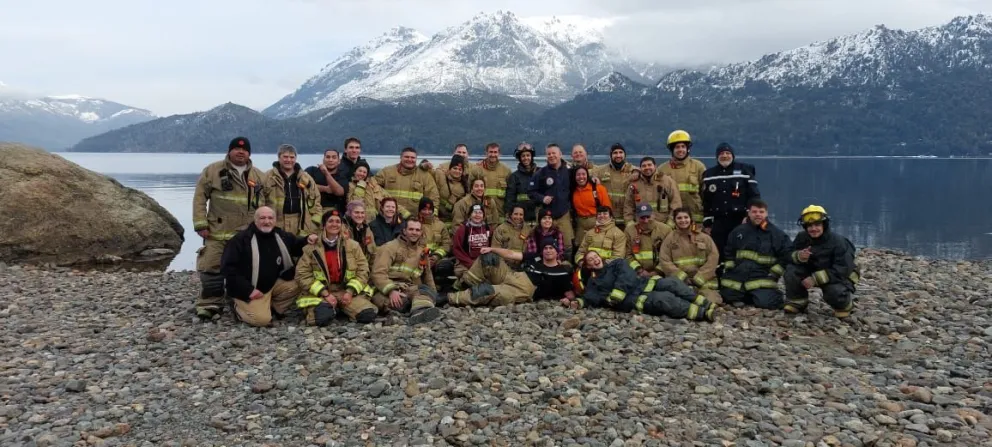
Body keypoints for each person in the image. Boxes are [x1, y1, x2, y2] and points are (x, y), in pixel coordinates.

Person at [191, 136, 266, 320]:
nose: (241, 152)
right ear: (229, 151)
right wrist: (200, 223)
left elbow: (267, 204)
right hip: (217, 231)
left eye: (245, 150)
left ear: (249, 153)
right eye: (237, 149)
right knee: (212, 267)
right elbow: (200, 198)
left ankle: (237, 299)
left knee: (245, 270)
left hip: (246, 235)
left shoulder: (259, 176)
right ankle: (210, 303)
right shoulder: (212, 171)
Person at [220, 206, 316, 327]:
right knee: (261, 320)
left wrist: (308, 239)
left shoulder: (280, 235)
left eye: (270, 218)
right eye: (262, 218)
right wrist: (248, 290)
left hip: (272, 285)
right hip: (249, 289)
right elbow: (228, 270)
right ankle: (237, 307)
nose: (267, 221)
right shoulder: (240, 240)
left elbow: (297, 246)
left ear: (275, 220)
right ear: (255, 220)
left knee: (301, 282)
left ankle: (271, 307)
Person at [562, 251, 716, 322]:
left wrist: (618, 292)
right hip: (636, 298)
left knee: (673, 283)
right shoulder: (594, 282)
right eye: (590, 260)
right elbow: (592, 297)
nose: (595, 260)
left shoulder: (617, 263)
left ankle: (705, 303)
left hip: (644, 283)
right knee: (665, 299)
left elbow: (626, 274)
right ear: (588, 266)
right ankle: (702, 314)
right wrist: (578, 302)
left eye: (596, 256)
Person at [294, 210, 377, 326]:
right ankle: (333, 309)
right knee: (322, 318)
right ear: (324, 225)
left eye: (338, 221)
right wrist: (325, 294)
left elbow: (363, 270)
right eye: (330, 221)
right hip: (322, 293)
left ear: (341, 225)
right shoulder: (311, 248)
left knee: (368, 315)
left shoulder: (353, 246)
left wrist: (349, 292)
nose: (334, 224)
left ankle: (340, 307)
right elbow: (302, 274)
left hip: (345, 290)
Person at [443, 238, 573, 307]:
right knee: (489, 258)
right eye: (546, 248)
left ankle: (448, 298)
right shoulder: (535, 257)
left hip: (524, 289)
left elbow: (570, 293)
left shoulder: (561, 272)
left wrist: (572, 301)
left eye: (551, 248)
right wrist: (492, 249)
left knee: (485, 291)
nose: (548, 250)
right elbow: (510, 254)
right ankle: (462, 286)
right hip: (513, 275)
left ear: (557, 251)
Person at [784, 205, 861, 318]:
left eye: (817, 225)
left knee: (834, 291)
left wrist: (815, 279)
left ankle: (844, 305)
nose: (813, 229)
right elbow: (787, 255)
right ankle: (797, 302)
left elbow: (843, 269)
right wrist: (799, 256)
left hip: (836, 276)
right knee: (791, 271)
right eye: (810, 226)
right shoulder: (802, 237)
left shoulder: (839, 242)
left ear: (824, 225)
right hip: (813, 269)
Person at [719, 199, 792, 309]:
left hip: (762, 276)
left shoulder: (776, 234)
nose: (758, 214)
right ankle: (747, 296)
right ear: (749, 213)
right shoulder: (738, 231)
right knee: (726, 296)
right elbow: (729, 250)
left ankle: (761, 295)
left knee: (767, 303)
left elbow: (788, 254)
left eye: (761, 212)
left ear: (766, 213)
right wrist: (730, 268)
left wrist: (775, 272)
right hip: (738, 274)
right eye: (754, 212)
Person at [370, 219, 443, 325]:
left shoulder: (421, 251)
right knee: (403, 303)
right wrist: (391, 291)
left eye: (417, 230)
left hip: (409, 288)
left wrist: (434, 294)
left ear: (421, 232)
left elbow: (427, 275)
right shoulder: (389, 248)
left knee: (425, 291)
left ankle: (419, 312)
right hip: (385, 291)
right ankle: (419, 311)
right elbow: (378, 273)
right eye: (411, 229)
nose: (414, 232)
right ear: (404, 231)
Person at [701, 142, 760, 262]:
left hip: (740, 220)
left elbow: (754, 196)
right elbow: (706, 201)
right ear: (717, 156)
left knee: (740, 250)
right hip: (719, 222)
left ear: (733, 155)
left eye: (728, 153)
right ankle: (721, 272)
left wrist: (749, 216)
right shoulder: (709, 174)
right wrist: (707, 223)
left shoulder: (745, 170)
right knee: (719, 252)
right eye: (721, 153)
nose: (725, 156)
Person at [658, 208, 723, 306]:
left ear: (691, 219)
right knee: (677, 302)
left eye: (686, 217)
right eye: (679, 218)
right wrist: (682, 277)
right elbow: (665, 260)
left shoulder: (704, 237)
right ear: (674, 220)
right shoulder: (670, 239)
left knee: (710, 302)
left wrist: (700, 277)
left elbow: (713, 257)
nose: (683, 220)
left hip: (703, 281)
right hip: (681, 281)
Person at [262, 144, 323, 237]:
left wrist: (314, 223)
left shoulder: (306, 178)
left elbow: (316, 200)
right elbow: (260, 201)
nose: (289, 160)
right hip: (276, 221)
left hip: (300, 222)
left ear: (296, 158)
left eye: (292, 157)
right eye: (285, 157)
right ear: (279, 157)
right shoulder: (267, 177)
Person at [528, 143, 574, 250]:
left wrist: (593, 179)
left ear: (560, 154)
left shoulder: (569, 171)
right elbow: (531, 192)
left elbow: (582, 177)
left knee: (567, 246)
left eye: (554, 153)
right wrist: (542, 198)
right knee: (545, 245)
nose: (551, 156)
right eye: (549, 154)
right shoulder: (540, 173)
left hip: (564, 215)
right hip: (546, 216)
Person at [374, 146, 439, 220]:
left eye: (412, 158)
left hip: (414, 220)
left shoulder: (425, 176)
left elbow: (433, 197)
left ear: (416, 159)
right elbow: (374, 187)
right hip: (389, 218)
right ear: (400, 157)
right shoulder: (386, 172)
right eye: (406, 157)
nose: (409, 159)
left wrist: (432, 217)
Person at [658, 130, 707, 224]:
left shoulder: (698, 166)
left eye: (683, 146)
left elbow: (706, 194)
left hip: (696, 219)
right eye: (677, 147)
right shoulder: (662, 169)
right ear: (672, 150)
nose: (680, 150)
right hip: (671, 220)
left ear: (687, 148)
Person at [624, 157, 681, 227]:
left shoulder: (668, 182)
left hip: (662, 225)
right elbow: (628, 206)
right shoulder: (634, 184)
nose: (647, 167)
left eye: (649, 165)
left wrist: (670, 224)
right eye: (644, 166)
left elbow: (676, 203)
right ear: (640, 168)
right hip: (641, 226)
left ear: (655, 166)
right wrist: (630, 223)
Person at [592, 143, 636, 229]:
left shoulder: (633, 171)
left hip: (627, 218)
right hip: (608, 218)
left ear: (625, 155)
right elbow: (585, 172)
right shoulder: (601, 171)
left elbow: (647, 171)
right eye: (615, 153)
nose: (618, 155)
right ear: (610, 155)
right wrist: (592, 177)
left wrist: (637, 172)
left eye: (621, 152)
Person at [624, 203, 673, 277]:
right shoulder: (629, 231)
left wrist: (657, 272)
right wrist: (639, 270)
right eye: (642, 217)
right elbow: (628, 255)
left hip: (662, 273)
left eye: (648, 217)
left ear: (654, 215)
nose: (646, 221)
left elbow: (669, 255)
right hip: (637, 273)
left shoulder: (666, 230)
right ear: (636, 217)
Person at [571, 166, 612, 245]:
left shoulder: (598, 188)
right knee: (580, 246)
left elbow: (607, 208)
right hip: (580, 224)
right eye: (578, 175)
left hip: (597, 222)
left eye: (583, 174)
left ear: (587, 175)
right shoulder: (573, 190)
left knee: (597, 246)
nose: (581, 177)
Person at [452, 204, 493, 280]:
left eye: (480, 213)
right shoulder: (463, 229)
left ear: (483, 216)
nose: (477, 215)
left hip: (484, 262)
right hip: (466, 262)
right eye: (475, 212)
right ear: (470, 215)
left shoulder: (488, 229)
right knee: (471, 278)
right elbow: (457, 249)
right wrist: (471, 263)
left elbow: (493, 247)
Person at [304, 148, 347, 214]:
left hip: (332, 212)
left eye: (334, 157)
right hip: (312, 208)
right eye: (328, 157)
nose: (330, 160)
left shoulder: (341, 176)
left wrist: (326, 173)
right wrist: (325, 189)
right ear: (323, 160)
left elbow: (339, 192)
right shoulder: (312, 170)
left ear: (339, 161)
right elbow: (302, 184)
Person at [504, 143, 539, 223]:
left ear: (532, 156)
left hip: (538, 216)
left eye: (528, 155)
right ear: (519, 158)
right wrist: (509, 214)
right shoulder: (514, 176)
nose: (526, 158)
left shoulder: (540, 173)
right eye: (523, 156)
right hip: (521, 218)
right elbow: (510, 199)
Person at [476, 142, 512, 219]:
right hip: (482, 212)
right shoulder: (478, 169)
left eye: (495, 152)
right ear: (486, 153)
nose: (493, 155)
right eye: (490, 152)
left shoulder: (506, 170)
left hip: (501, 212)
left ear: (499, 154)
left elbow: (511, 192)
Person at [492, 205, 533, 270]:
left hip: (524, 266)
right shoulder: (500, 229)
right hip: (505, 267)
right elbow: (495, 249)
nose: (518, 217)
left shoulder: (528, 230)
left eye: (521, 214)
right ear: (510, 215)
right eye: (515, 214)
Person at [346, 159, 385, 224]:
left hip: (374, 221)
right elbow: (354, 204)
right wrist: (360, 187)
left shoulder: (371, 185)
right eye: (360, 171)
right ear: (354, 172)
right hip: (358, 220)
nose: (362, 174)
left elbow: (386, 198)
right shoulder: (350, 185)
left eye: (364, 172)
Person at [435, 154, 471, 226]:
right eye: (455, 168)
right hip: (440, 218)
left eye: (460, 169)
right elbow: (428, 171)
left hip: (455, 220)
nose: (457, 171)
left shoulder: (465, 185)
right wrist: (424, 165)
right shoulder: (441, 177)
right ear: (449, 168)